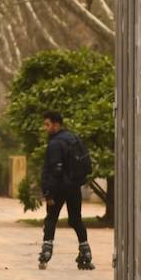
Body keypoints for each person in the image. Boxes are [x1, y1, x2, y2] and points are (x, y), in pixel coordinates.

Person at [39, 110, 94, 270]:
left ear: (56, 124)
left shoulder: (55, 143)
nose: (45, 128)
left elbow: (55, 169)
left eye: (47, 124)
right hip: (74, 187)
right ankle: (85, 251)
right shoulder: (73, 139)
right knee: (76, 219)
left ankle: (46, 252)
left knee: (51, 218)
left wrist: (49, 192)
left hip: (58, 188)